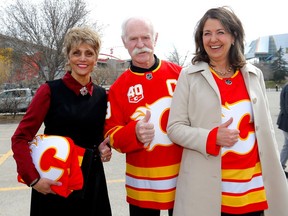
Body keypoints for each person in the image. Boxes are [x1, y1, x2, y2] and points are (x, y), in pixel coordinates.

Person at [167, 6, 288, 216]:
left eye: (220, 32)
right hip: (211, 191)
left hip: (252, 188)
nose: (213, 39)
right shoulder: (189, 76)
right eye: (207, 33)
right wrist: (211, 137)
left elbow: (265, 128)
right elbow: (174, 128)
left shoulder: (253, 74)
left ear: (234, 36)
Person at [11, 26, 112, 216]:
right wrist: (33, 179)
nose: (82, 58)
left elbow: (98, 136)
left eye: (89, 53)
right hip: (55, 182)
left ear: (96, 59)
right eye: (76, 53)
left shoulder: (101, 95)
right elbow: (20, 138)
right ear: (68, 57)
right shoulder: (49, 91)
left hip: (92, 180)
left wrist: (104, 148)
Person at [104, 16, 183, 216]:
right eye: (133, 39)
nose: (140, 44)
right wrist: (134, 133)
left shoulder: (181, 75)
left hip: (183, 179)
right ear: (124, 42)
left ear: (155, 38)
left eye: (145, 38)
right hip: (143, 185)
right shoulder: (118, 88)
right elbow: (111, 134)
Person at [277, 83, 288, 178]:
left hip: (284, 122)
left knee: (287, 146)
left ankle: (280, 167)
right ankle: (280, 167)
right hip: (286, 122)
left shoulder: (285, 87)